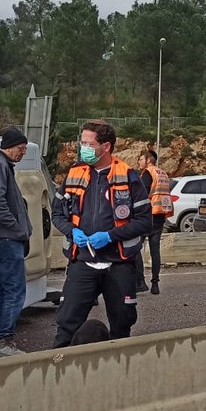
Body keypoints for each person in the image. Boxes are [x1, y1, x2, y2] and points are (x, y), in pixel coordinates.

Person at [51, 120, 154, 347]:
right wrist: (72, 230)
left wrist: (110, 236)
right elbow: (57, 214)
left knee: (121, 324)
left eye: (88, 143)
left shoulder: (128, 177)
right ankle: (57, 373)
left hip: (119, 263)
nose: (82, 147)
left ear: (106, 146)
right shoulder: (74, 174)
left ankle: (116, 375)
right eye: (82, 142)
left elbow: (145, 221)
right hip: (83, 261)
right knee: (66, 324)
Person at [0, 127, 33, 358]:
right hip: (6, 238)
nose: (22, 153)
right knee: (15, 290)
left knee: (2, 289)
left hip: (3, 237)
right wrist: (17, 227)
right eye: (21, 149)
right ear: (10, 146)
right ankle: (4, 341)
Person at [135, 148, 173, 295]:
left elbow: (142, 194)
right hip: (160, 215)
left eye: (141, 158)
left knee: (135, 247)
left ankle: (140, 281)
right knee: (155, 251)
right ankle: (155, 284)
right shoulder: (162, 173)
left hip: (148, 215)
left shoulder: (147, 173)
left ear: (148, 160)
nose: (139, 161)